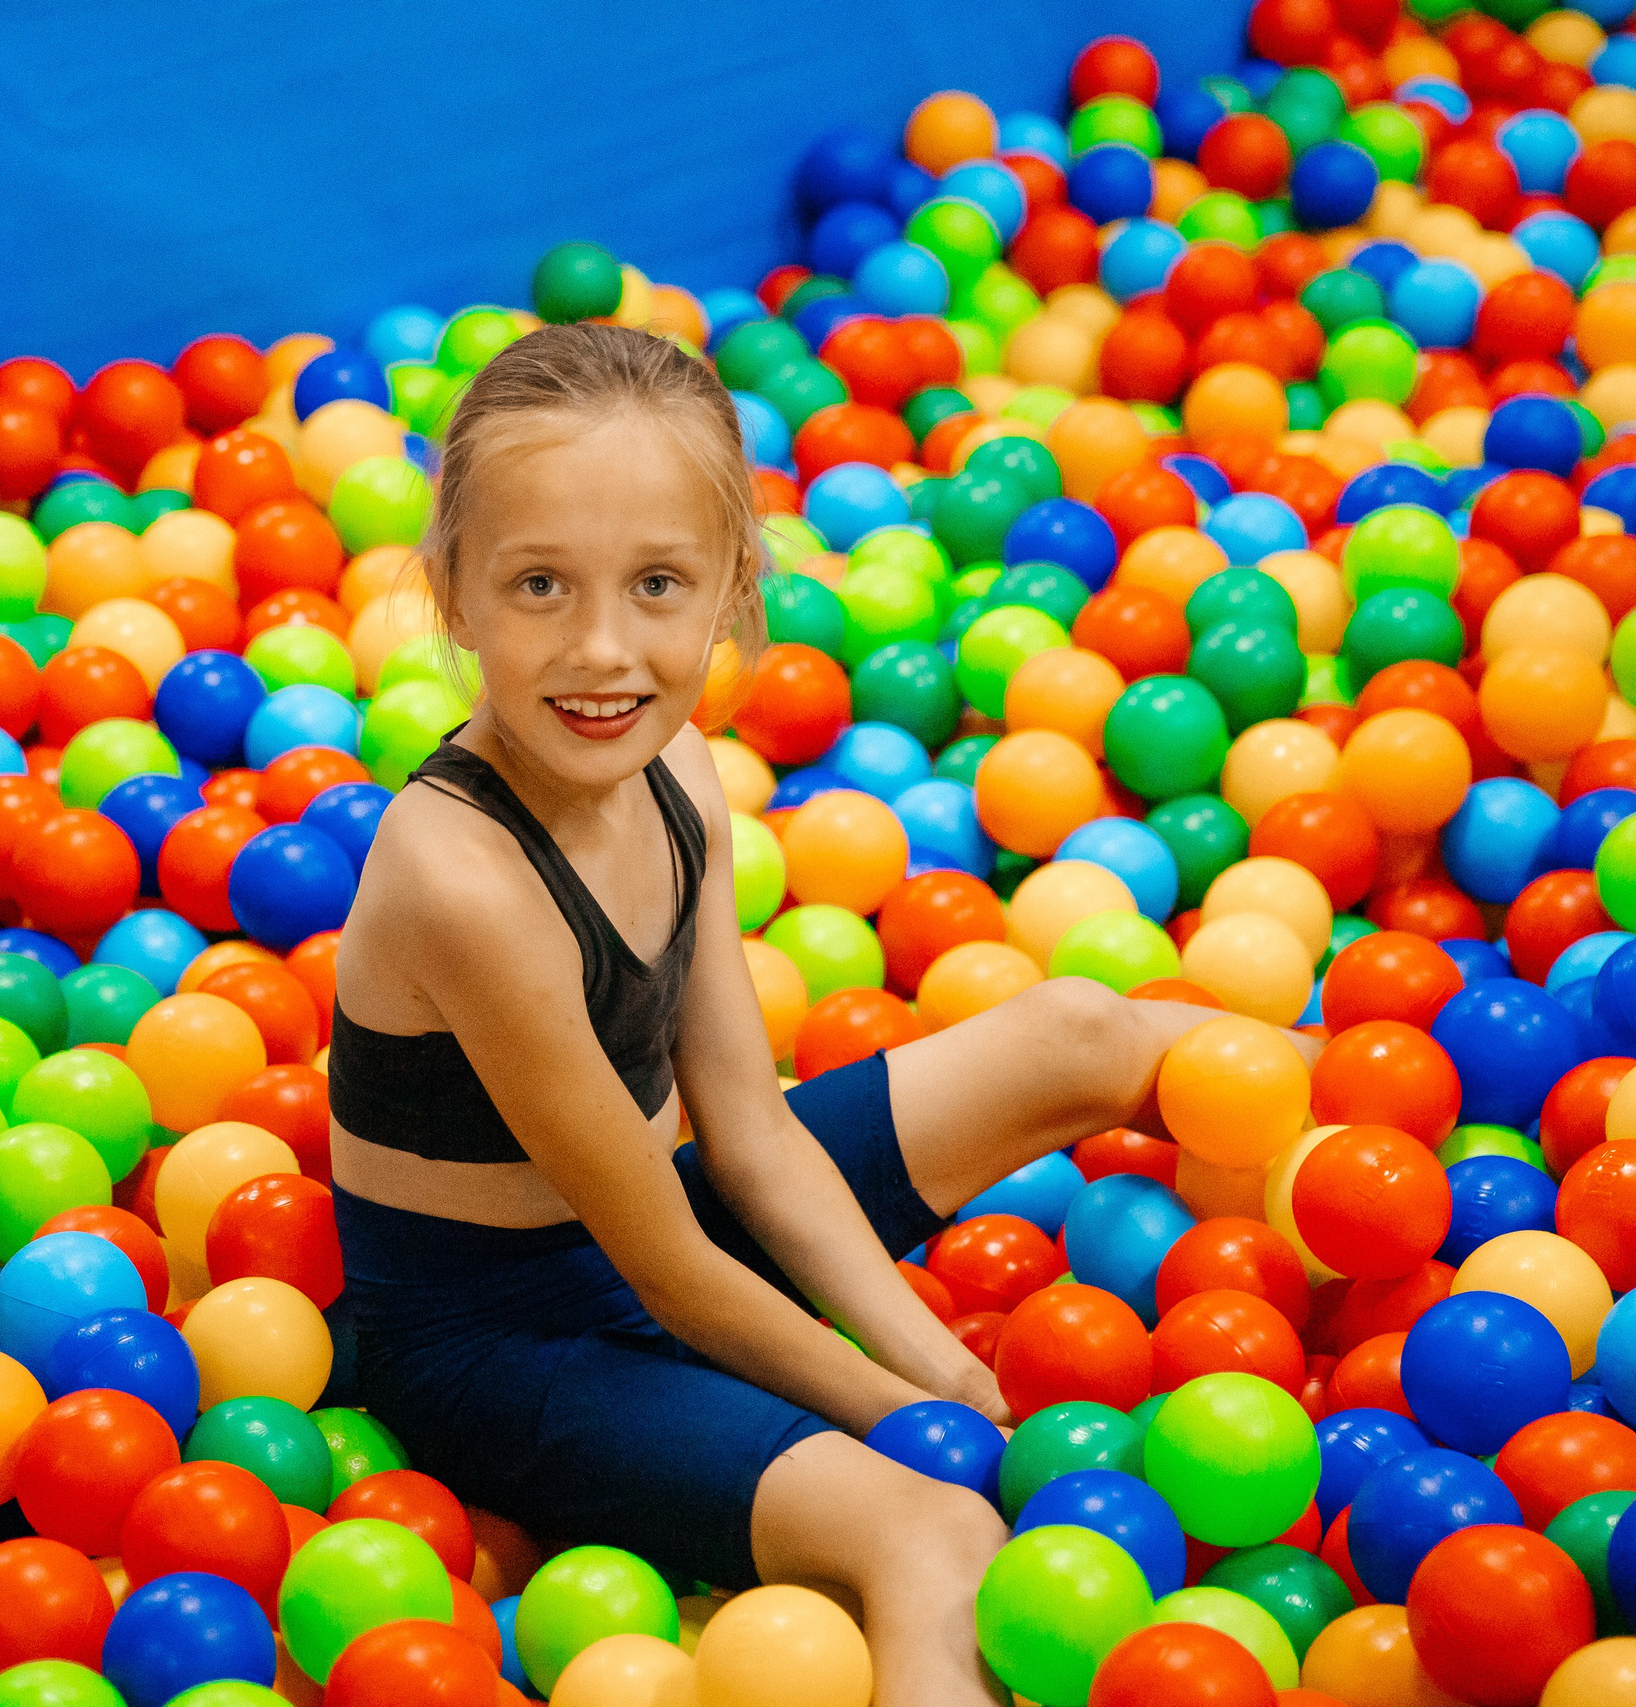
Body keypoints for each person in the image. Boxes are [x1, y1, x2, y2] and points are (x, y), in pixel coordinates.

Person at [329, 321, 1245, 1704]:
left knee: (1087, 1031)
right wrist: (908, 1414)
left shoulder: (679, 770)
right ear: (451, 594)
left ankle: (1452, 1168)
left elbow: (748, 1137)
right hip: (499, 1343)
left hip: (663, 1231)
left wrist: (934, 1357)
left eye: (656, 586)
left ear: (729, 594)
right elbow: (668, 1272)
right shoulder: (463, 879)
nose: (602, 650)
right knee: (938, 1528)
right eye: (536, 586)